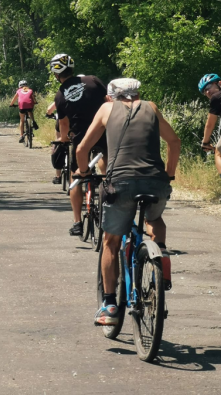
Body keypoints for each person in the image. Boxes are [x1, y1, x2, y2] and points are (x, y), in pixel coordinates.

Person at [75, 78, 181, 326]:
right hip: (155, 182)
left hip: (120, 183)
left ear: (111, 96)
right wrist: (169, 174)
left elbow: (82, 149)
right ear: (137, 94)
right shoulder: (151, 107)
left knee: (110, 241)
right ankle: (161, 264)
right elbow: (174, 142)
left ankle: (110, 305)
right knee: (154, 219)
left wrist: (83, 173)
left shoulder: (106, 109)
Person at [51, 53, 108, 236]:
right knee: (105, 164)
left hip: (81, 138)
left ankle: (77, 222)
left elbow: (64, 125)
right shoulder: (93, 80)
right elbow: (109, 100)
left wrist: (64, 139)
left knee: (75, 178)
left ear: (56, 73)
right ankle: (109, 193)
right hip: (104, 132)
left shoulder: (60, 95)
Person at [198, 73, 221, 175]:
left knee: (218, 152)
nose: (207, 91)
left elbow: (210, 124)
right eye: (204, 91)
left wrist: (205, 142)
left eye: (208, 86)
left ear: (219, 83)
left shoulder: (216, 97)